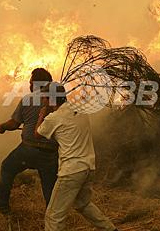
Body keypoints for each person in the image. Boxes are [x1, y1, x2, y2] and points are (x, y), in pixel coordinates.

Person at [36, 83, 117, 231]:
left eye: (45, 98)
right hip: (88, 167)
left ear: (52, 99)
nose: (43, 101)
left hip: (71, 171)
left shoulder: (53, 118)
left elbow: (37, 134)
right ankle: (110, 229)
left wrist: (42, 115)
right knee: (83, 204)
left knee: (53, 216)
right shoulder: (80, 110)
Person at [0, 68, 59, 213]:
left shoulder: (28, 99)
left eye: (31, 82)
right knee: (50, 187)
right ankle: (53, 217)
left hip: (28, 150)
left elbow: (14, 124)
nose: (29, 84)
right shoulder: (58, 100)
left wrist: (2, 127)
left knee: (7, 167)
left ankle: (0, 204)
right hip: (50, 153)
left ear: (35, 83)